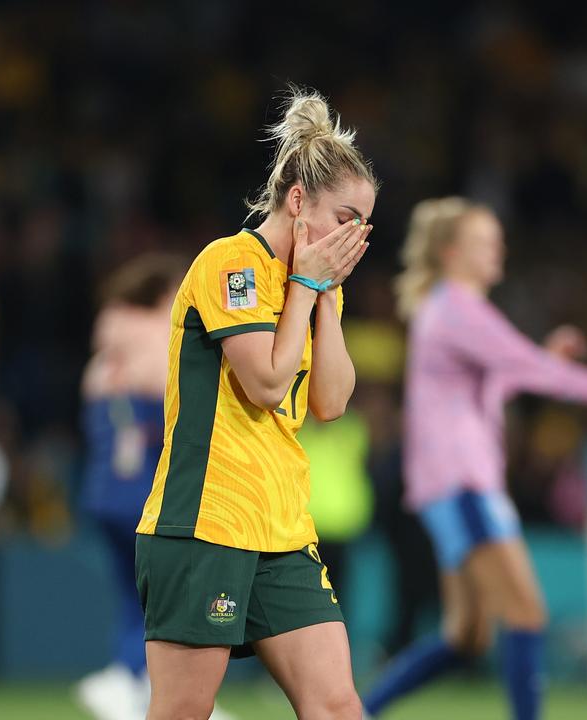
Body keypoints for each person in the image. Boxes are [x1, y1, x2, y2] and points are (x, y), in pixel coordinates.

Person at [133, 87, 375, 720]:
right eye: (346, 219)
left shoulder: (315, 285)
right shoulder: (230, 264)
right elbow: (267, 384)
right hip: (206, 519)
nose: (355, 238)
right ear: (298, 200)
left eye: (364, 226)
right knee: (184, 710)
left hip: (282, 527)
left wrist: (323, 298)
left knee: (338, 706)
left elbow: (330, 402)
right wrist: (304, 288)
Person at [362, 197, 587, 720]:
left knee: (466, 635)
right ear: (453, 253)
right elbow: (527, 369)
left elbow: (498, 378)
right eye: (484, 242)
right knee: (526, 614)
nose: (497, 249)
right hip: (463, 484)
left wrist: (545, 360)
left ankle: (359, 712)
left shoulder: (447, 310)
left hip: (450, 483)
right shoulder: (458, 309)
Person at [75, 254, 237, 720]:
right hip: (143, 495)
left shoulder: (103, 362)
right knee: (165, 596)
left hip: (102, 492)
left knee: (135, 595)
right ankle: (131, 681)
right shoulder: (158, 346)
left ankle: (139, 686)